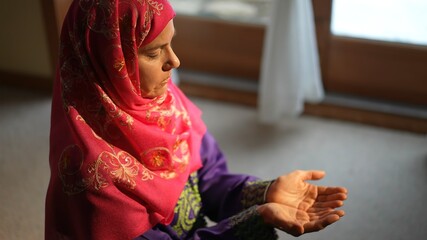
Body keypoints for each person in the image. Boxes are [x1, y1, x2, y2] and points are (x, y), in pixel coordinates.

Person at [45, 0, 348, 239]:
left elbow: (209, 179)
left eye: (171, 43)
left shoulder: (166, 107)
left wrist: (266, 192)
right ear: (108, 64)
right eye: (153, 52)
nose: (174, 61)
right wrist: (256, 220)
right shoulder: (93, 178)